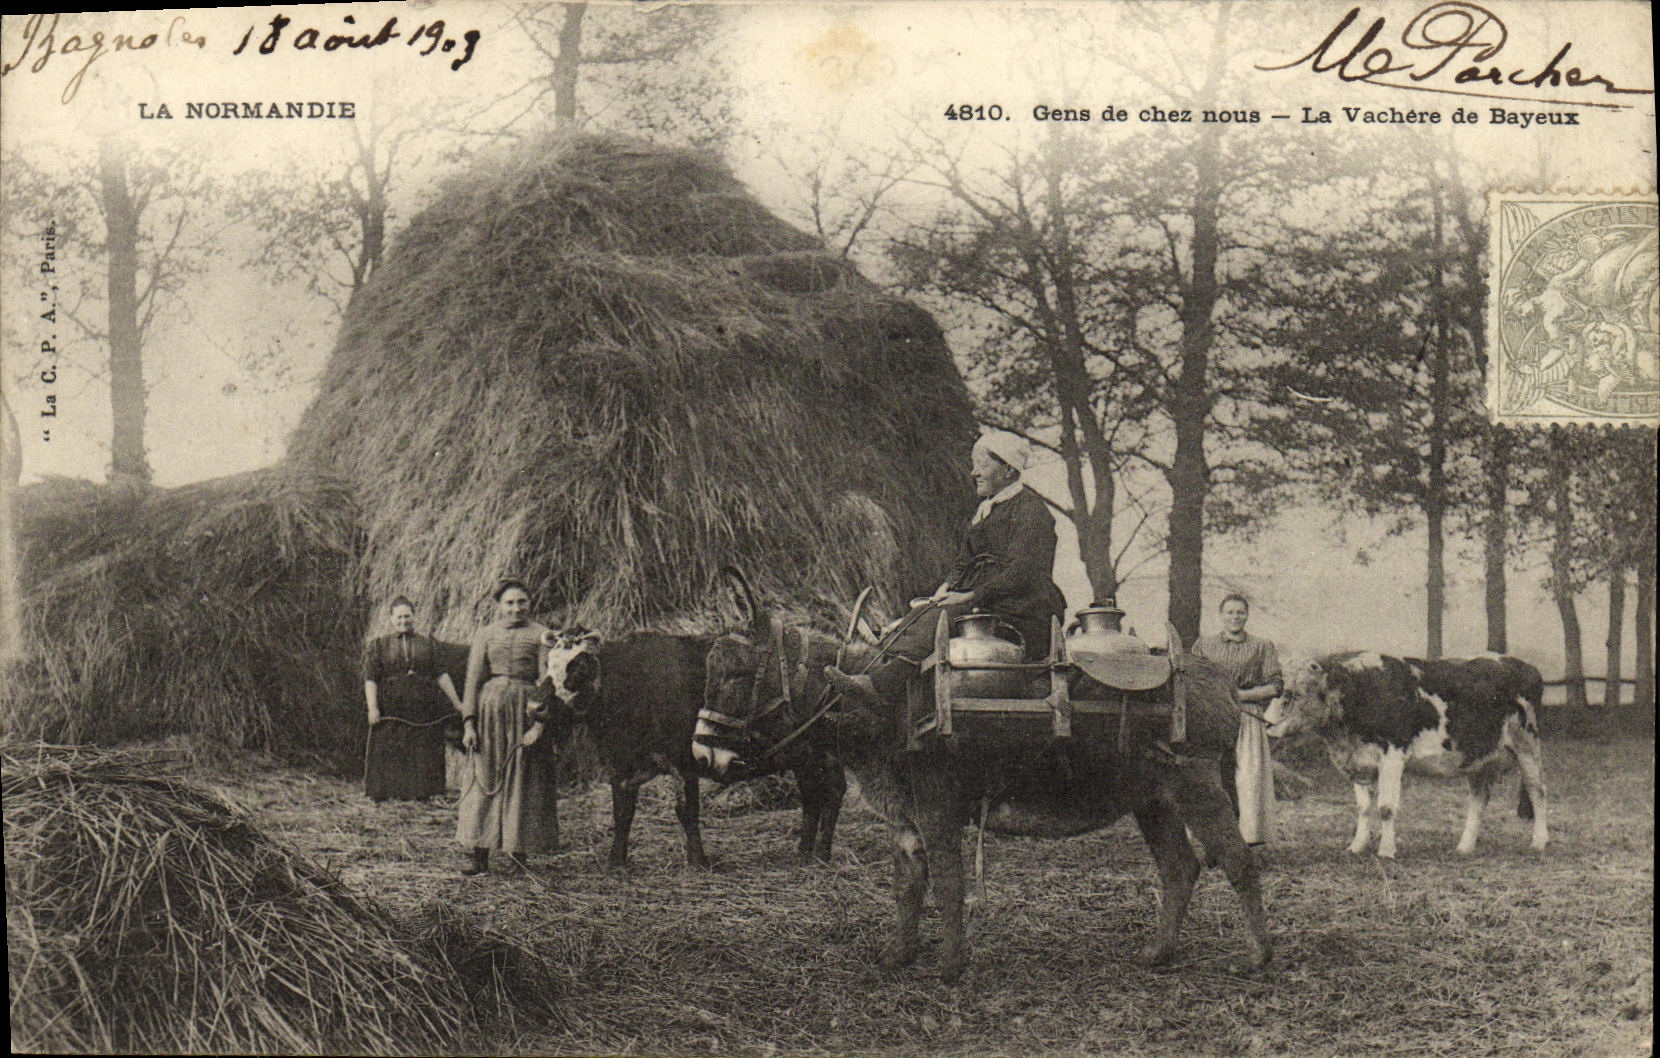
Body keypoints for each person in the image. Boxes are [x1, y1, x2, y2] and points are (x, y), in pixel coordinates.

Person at [827, 430, 1066, 705]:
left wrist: (969, 596)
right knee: (925, 610)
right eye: (974, 465)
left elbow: (1021, 573)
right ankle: (875, 675)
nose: (974, 472)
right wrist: (944, 589)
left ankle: (878, 686)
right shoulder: (986, 510)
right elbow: (965, 560)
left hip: (1024, 607)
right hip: (991, 602)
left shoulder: (1031, 512)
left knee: (944, 616)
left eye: (982, 465)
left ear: (1009, 470)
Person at [455, 578, 558, 876]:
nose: (516, 608)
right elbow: (473, 680)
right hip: (489, 714)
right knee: (484, 775)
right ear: (499, 606)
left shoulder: (542, 635)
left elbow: (546, 681)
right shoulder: (485, 634)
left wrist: (538, 723)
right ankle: (479, 854)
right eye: (509, 603)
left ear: (530, 603)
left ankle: (518, 855)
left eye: (521, 602)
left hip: (526, 713)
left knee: (524, 779)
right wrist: (469, 723)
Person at [1191, 593, 1282, 847]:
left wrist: (1239, 695)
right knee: (1211, 776)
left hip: (1247, 718)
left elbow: (1276, 686)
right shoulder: (1204, 645)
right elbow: (1192, 679)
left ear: (1247, 615)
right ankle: (1211, 839)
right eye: (1230, 612)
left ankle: (1249, 838)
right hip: (1212, 718)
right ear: (1221, 615)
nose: (1235, 617)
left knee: (1248, 778)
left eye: (1240, 612)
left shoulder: (1262, 646)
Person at [363, 596, 464, 802]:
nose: (403, 621)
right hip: (392, 706)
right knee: (391, 747)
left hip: (423, 705)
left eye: (407, 616)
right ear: (391, 619)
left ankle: (424, 794)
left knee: (424, 746)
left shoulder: (428, 644)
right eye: (399, 617)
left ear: (414, 616)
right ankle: (389, 795)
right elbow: (371, 679)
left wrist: (456, 702)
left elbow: (442, 675)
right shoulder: (380, 646)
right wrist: (373, 708)